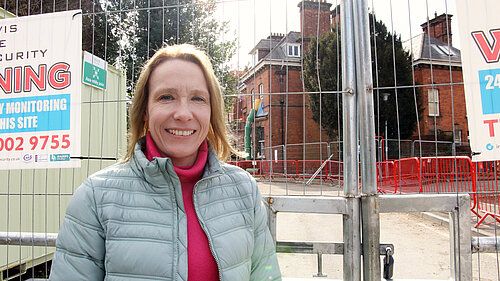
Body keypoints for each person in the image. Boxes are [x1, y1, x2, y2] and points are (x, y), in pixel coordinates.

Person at [49, 44, 282, 281]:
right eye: (166, 97)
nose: (183, 113)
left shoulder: (243, 190)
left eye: (198, 98)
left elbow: (266, 273)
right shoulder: (95, 197)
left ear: (212, 112)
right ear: (145, 111)